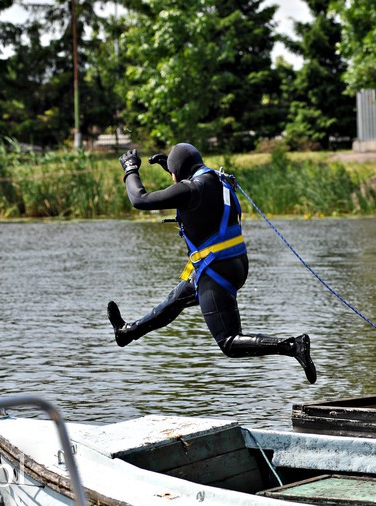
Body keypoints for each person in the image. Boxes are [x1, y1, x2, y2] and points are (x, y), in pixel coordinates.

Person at [106, 143, 317, 383]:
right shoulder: (219, 179)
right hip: (234, 263)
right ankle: (126, 333)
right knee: (175, 301)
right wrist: (173, 168)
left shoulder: (191, 190)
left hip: (215, 270)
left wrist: (130, 170)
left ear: (178, 174)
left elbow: (140, 199)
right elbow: (201, 197)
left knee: (229, 342)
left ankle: (293, 346)